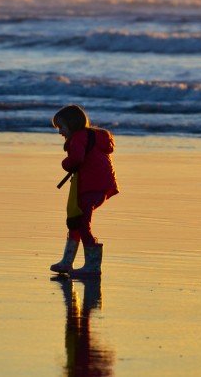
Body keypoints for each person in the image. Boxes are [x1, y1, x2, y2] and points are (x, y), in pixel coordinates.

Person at [50, 105, 119, 277]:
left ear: (72, 125)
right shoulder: (91, 137)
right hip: (98, 186)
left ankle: (93, 266)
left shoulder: (79, 137)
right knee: (76, 222)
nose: (60, 132)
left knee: (81, 224)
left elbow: (76, 159)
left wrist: (65, 164)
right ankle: (67, 262)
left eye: (61, 128)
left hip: (91, 187)